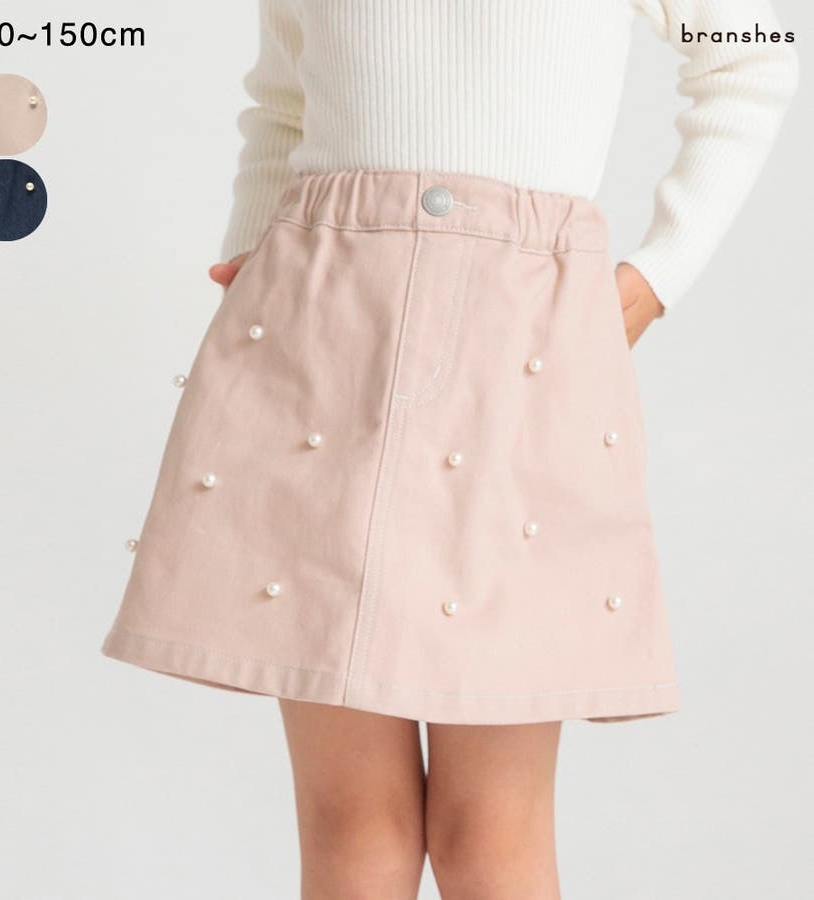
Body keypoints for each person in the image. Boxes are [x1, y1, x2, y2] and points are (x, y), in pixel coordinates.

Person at [102, 2, 798, 895]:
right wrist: (250, 256)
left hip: (521, 351)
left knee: (490, 834)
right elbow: (283, 97)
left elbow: (751, 54)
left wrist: (662, 272)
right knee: (353, 823)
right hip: (321, 336)